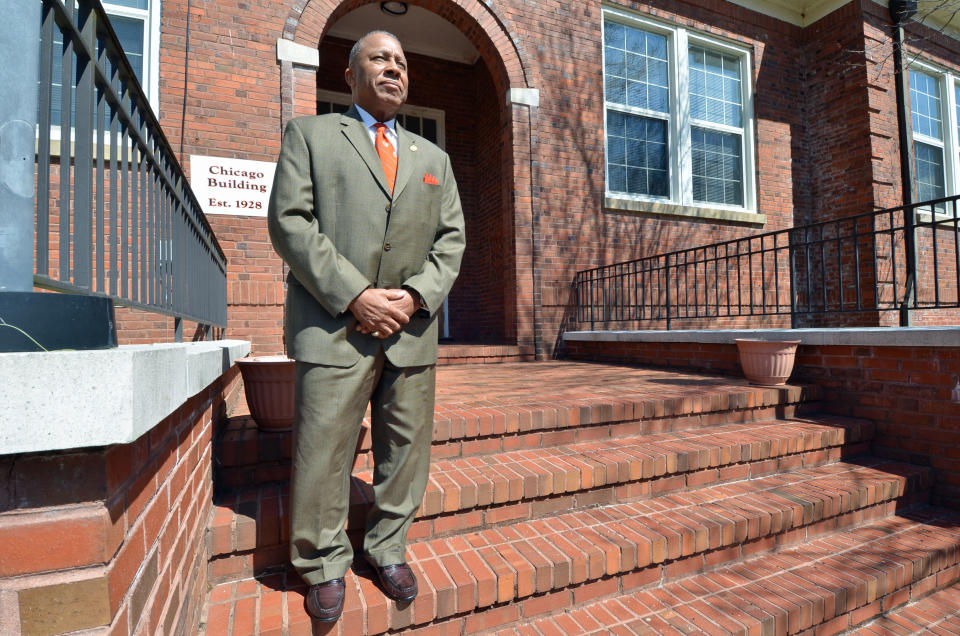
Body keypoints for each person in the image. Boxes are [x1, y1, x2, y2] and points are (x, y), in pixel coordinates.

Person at [267, 31, 466, 623]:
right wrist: (355, 295)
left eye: (402, 62)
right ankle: (323, 562)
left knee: (405, 452)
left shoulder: (435, 160)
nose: (394, 69)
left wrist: (412, 297)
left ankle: (387, 547)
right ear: (350, 74)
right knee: (324, 450)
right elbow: (290, 223)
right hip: (334, 329)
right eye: (380, 58)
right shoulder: (311, 135)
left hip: (410, 332)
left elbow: (450, 241)